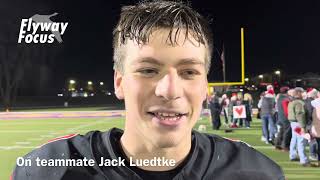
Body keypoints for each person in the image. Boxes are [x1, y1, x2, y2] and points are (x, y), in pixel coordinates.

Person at [12, 1, 285, 180]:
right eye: (148, 70)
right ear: (119, 82)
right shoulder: (46, 170)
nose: (169, 90)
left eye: (189, 72)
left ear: (204, 87)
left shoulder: (257, 172)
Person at [288, 87, 310, 166]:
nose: (303, 93)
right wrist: (303, 127)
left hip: (293, 123)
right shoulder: (299, 103)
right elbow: (300, 115)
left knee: (294, 139)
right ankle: (303, 160)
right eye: (302, 92)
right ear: (298, 93)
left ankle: (292, 155)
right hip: (298, 123)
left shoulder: (292, 102)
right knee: (301, 141)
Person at [274, 86, 291, 151]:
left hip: (280, 117)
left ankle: (277, 144)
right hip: (285, 117)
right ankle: (285, 146)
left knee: (281, 131)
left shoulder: (279, 98)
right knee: (286, 132)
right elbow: (286, 110)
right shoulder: (286, 99)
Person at [304, 88, 319, 160]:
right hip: (311, 123)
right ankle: (312, 154)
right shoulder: (311, 102)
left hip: (309, 123)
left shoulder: (307, 101)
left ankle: (312, 154)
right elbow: (311, 113)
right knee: (313, 140)